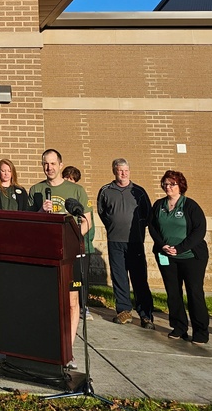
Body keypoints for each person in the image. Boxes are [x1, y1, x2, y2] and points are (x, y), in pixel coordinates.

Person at [30, 149, 90, 355]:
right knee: (48, 300)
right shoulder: (36, 190)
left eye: (53, 163)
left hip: (71, 254)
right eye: (46, 164)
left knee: (72, 302)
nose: (49, 168)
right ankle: (48, 344)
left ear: (61, 165)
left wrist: (70, 241)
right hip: (46, 253)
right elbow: (31, 224)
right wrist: (40, 212)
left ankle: (68, 349)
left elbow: (87, 221)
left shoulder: (76, 190)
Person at [148, 170, 209, 344]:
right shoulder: (159, 205)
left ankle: (201, 332)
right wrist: (162, 245)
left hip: (191, 257)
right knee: (173, 293)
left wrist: (180, 248)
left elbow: (199, 230)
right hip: (166, 256)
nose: (168, 187)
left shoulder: (190, 205)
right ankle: (179, 327)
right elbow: (152, 227)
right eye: (165, 184)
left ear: (180, 186)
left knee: (194, 293)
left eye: (172, 184)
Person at [96, 158, 155, 329]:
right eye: (120, 170)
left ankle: (146, 315)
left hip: (135, 242)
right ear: (114, 171)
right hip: (115, 241)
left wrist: (136, 228)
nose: (123, 173)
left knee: (139, 278)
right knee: (119, 277)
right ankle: (124, 311)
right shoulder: (106, 191)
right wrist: (114, 224)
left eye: (126, 170)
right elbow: (103, 212)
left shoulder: (139, 191)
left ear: (130, 171)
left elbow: (147, 214)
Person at [63, 165, 95, 320]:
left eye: (73, 180)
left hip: (82, 246)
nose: (70, 183)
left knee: (81, 279)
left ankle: (84, 306)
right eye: (67, 179)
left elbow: (89, 224)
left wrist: (83, 242)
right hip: (65, 246)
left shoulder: (80, 198)